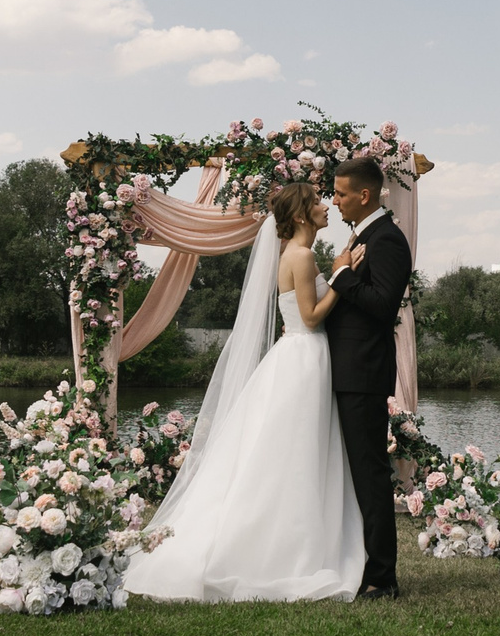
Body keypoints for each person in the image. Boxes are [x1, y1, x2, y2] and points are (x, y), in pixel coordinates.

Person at [124, 182, 365, 602]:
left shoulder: (297, 254)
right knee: (297, 451)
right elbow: (310, 317)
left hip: (297, 357)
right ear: (302, 215)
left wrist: (339, 265)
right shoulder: (302, 255)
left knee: (288, 450)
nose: (327, 205)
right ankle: (285, 548)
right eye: (318, 201)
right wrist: (344, 277)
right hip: (305, 355)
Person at [325, 155, 410, 599]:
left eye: (339, 194)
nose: (334, 201)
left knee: (370, 473)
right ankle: (353, 563)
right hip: (344, 370)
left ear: (363, 195)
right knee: (349, 472)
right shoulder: (362, 236)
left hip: (363, 374)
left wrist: (340, 275)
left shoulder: (388, 240)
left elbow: (381, 306)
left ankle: (382, 577)